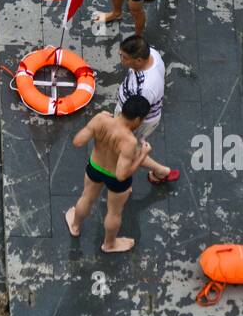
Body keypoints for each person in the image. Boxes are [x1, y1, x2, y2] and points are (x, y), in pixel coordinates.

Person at [64, 95, 153, 253]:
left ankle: (75, 226)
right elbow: (121, 175)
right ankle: (109, 244)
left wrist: (95, 123)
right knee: (114, 212)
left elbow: (77, 142)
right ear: (138, 119)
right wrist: (142, 155)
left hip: (95, 168)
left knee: (86, 198)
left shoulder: (100, 119)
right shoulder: (129, 141)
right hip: (115, 180)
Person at [116, 35, 180, 184]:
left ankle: (161, 171)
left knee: (129, 148)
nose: (121, 59)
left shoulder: (145, 90)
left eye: (124, 57)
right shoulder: (152, 53)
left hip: (136, 119)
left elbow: (137, 118)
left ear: (138, 60)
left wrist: (123, 130)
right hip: (133, 111)